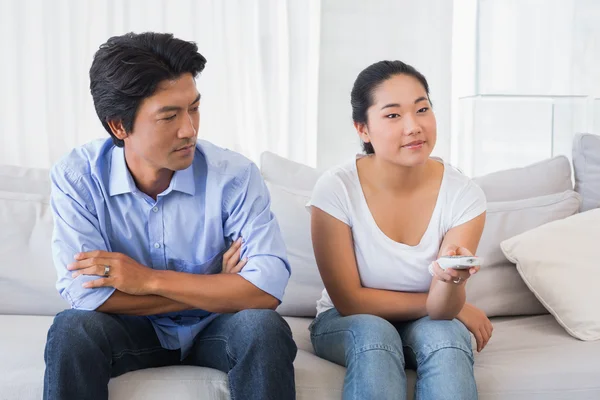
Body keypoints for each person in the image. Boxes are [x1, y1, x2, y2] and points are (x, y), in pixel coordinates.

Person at [43, 32, 296, 400]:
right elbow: (87, 296)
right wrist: (215, 288)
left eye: (193, 107)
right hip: (130, 330)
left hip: (216, 328)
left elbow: (266, 289)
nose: (189, 129)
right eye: (169, 116)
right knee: (72, 330)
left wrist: (147, 280)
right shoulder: (77, 177)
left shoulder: (234, 176)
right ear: (119, 126)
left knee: (263, 326)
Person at [307, 60, 492, 400]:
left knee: (448, 338)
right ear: (362, 129)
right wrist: (454, 308)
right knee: (375, 336)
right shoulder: (336, 188)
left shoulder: (464, 194)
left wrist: (452, 283)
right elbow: (349, 301)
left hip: (427, 322)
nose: (413, 126)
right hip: (347, 320)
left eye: (422, 109)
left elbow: (441, 311)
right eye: (393, 115)